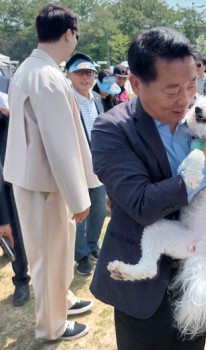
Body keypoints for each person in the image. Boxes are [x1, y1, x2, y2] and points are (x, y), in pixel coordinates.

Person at [89, 27, 206, 350]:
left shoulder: (199, 117)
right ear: (137, 83)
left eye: (191, 84)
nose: (185, 99)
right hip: (143, 286)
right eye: (172, 90)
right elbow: (142, 203)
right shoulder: (112, 129)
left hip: (195, 273)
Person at [4, 3, 101, 341]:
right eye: (76, 33)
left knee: (53, 251)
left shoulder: (30, 70)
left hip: (36, 177)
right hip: (46, 182)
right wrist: (78, 196)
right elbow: (59, 144)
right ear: (67, 34)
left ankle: (62, 301)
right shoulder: (46, 76)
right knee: (48, 254)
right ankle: (51, 326)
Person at [65, 53, 107, 276]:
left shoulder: (97, 98)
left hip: (98, 165)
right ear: (69, 74)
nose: (85, 77)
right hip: (75, 165)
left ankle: (92, 245)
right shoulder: (66, 98)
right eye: (80, 72)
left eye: (89, 72)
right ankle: (80, 255)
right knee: (79, 213)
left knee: (99, 210)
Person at [0, 81, 31, 307]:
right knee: (13, 231)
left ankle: (47, 277)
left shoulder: (9, 82)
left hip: (27, 163)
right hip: (4, 174)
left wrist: (13, 114)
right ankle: (21, 279)